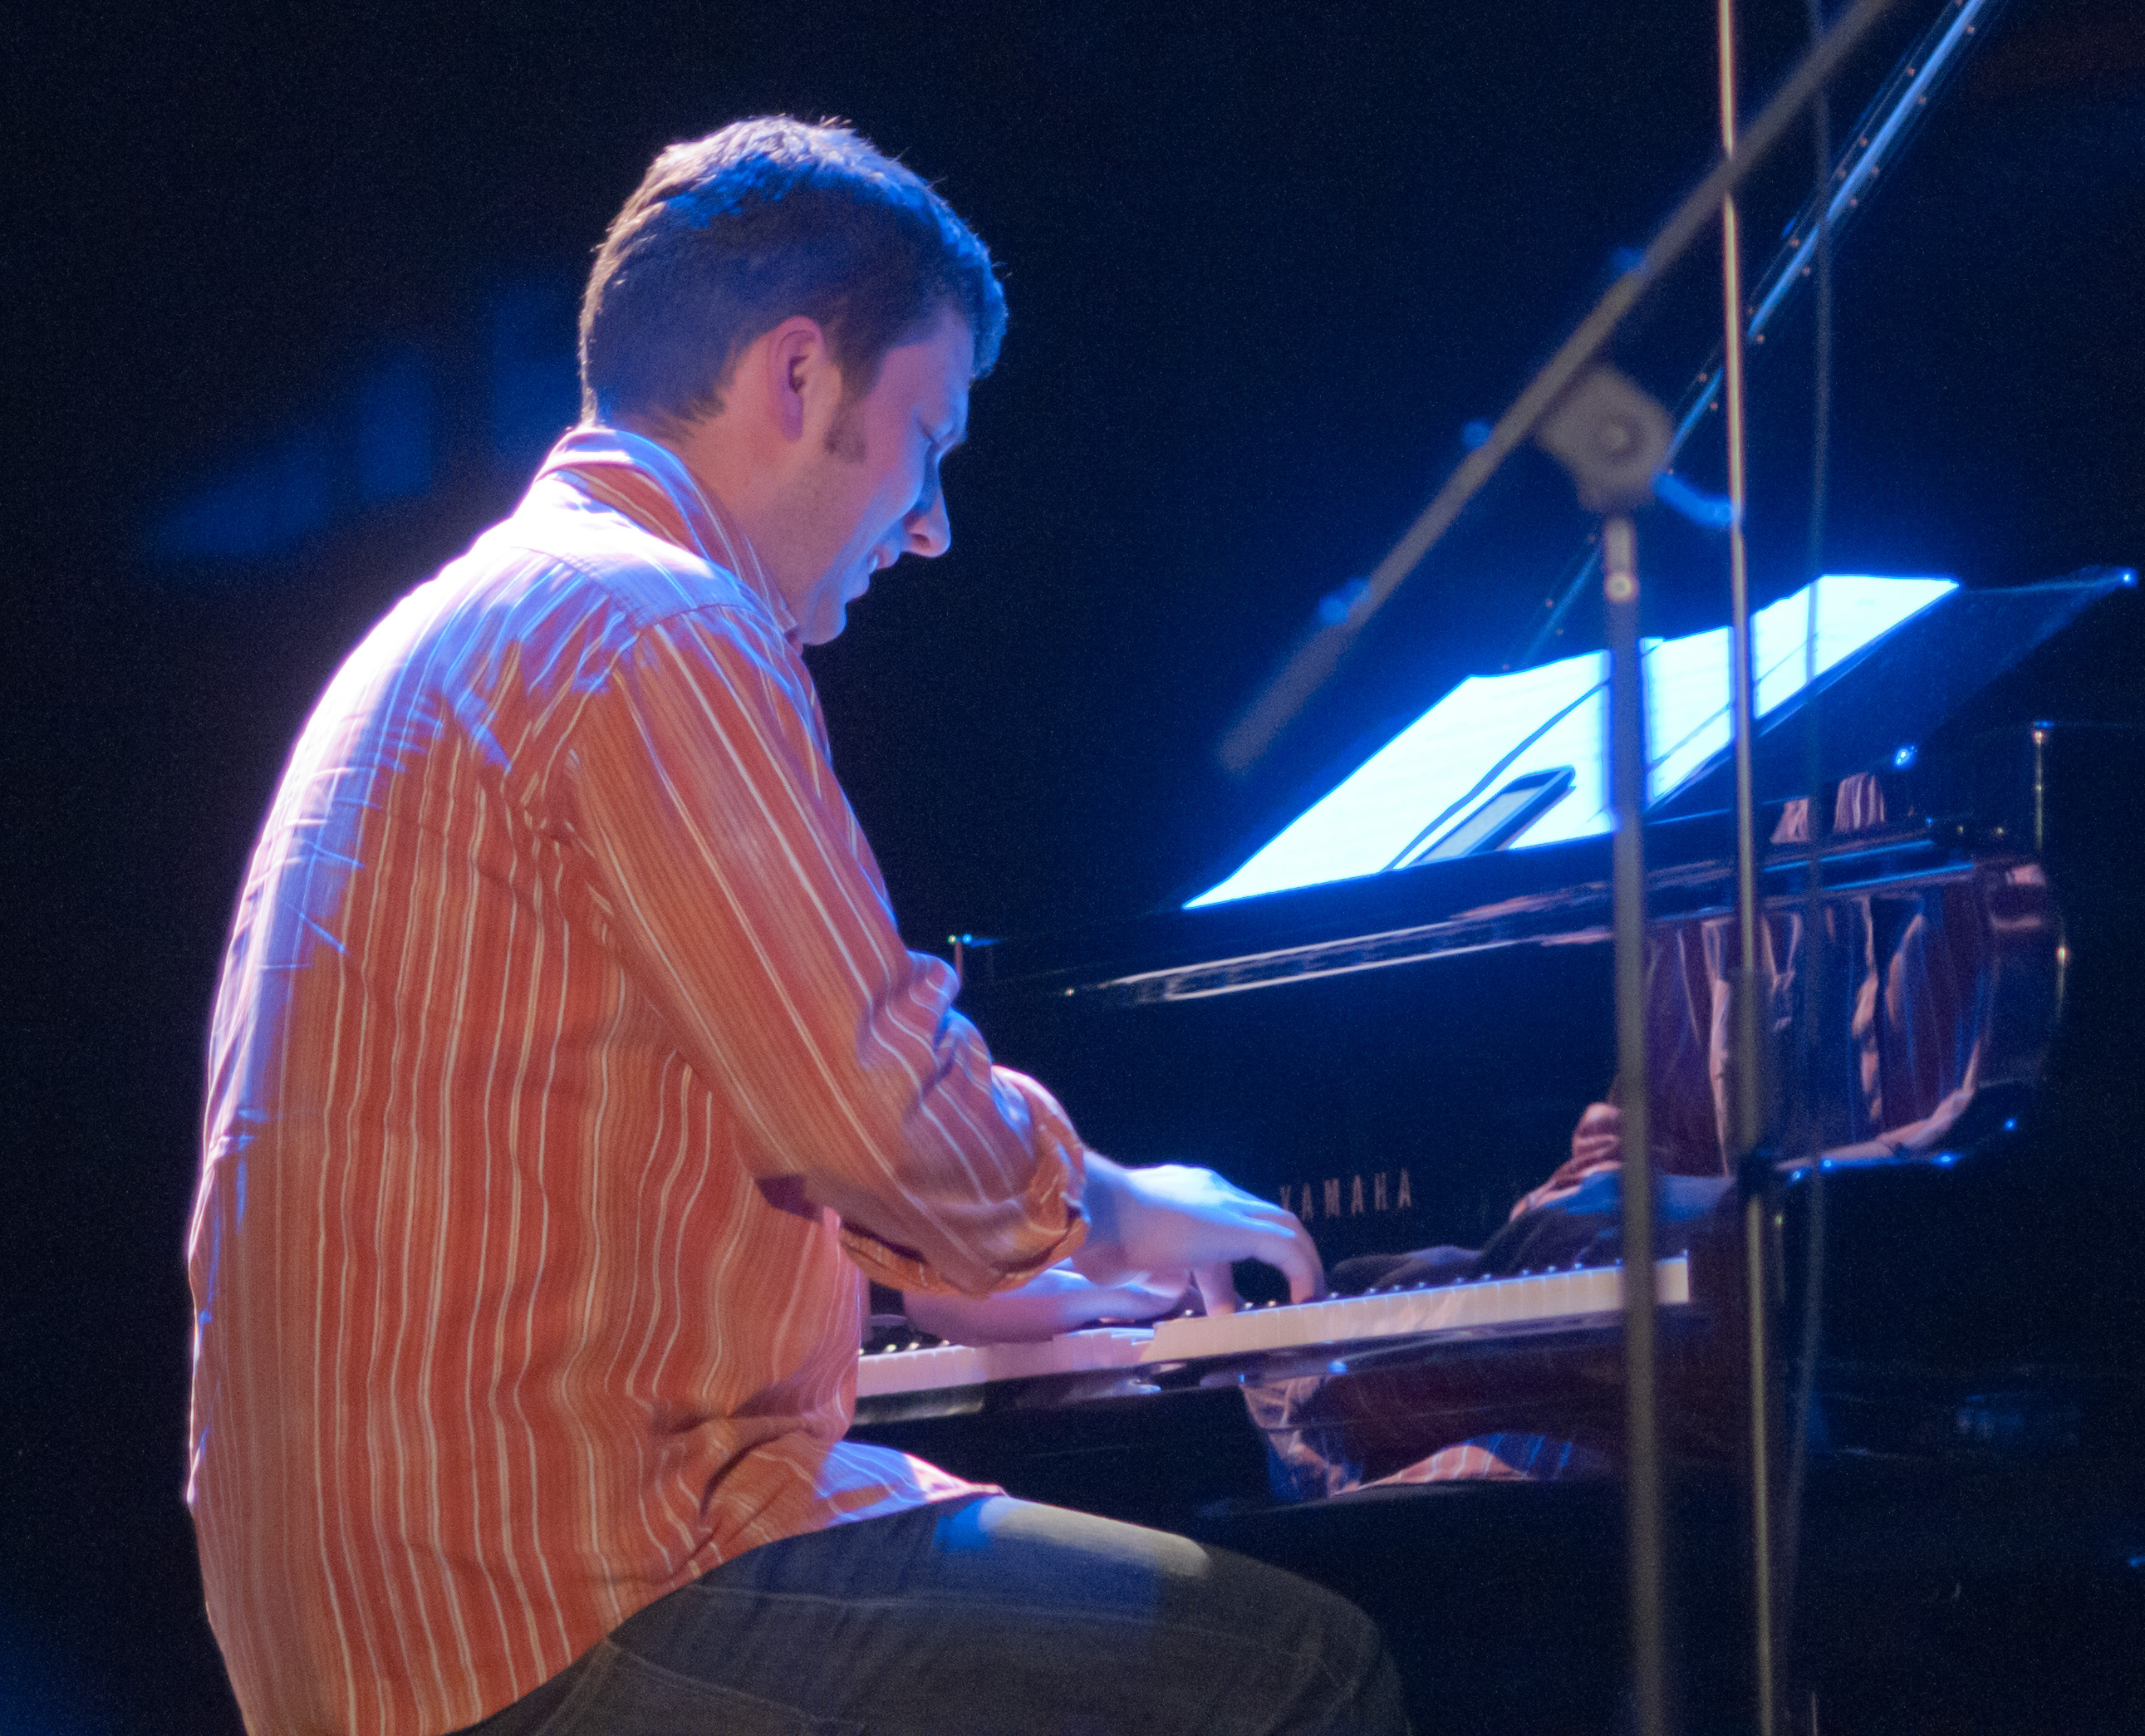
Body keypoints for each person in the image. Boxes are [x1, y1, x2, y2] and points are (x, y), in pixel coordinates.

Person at [184, 115, 1405, 1736]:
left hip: (388, 1612)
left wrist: (935, 1269)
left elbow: (648, 1136)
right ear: (795, 376)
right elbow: (873, 1108)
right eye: (927, 436)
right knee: (1305, 1674)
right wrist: (1108, 1207)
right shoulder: (656, 624)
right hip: (558, 1593)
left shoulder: (460, 626)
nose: (932, 522)